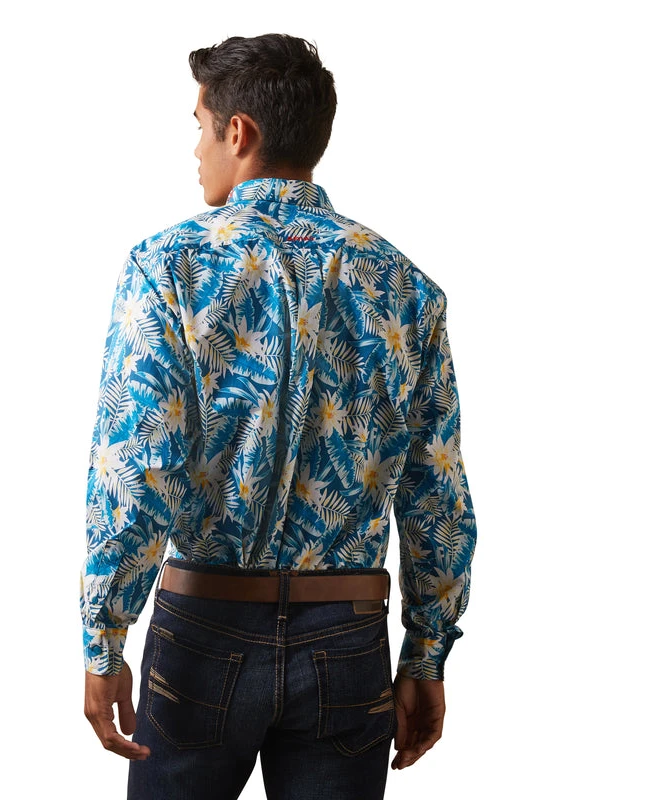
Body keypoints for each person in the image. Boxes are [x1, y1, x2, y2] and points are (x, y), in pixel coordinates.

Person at [81, 33, 477, 799]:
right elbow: (437, 494)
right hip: (349, 641)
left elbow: (139, 465)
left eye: (200, 126)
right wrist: (426, 655)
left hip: (203, 635)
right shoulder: (405, 285)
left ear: (239, 132)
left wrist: (105, 638)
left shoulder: (169, 267)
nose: (195, 149)